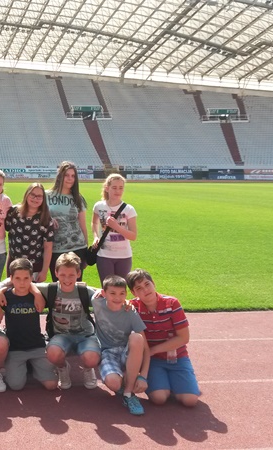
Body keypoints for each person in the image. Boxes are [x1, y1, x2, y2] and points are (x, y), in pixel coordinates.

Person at [126, 269, 200, 407]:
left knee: (190, 400)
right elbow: (113, 295)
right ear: (133, 293)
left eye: (147, 284)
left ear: (153, 283)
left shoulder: (172, 304)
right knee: (159, 398)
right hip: (153, 361)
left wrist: (153, 350)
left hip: (178, 357)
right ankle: (166, 385)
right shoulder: (132, 307)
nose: (145, 290)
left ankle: (175, 384)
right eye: (139, 288)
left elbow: (184, 338)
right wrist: (100, 292)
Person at [39, 252, 101, 390]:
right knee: (53, 353)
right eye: (62, 275)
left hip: (85, 335)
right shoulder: (51, 289)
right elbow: (24, 284)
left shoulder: (85, 291)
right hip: (61, 335)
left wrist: (127, 302)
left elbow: (108, 292)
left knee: (91, 358)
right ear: (56, 273)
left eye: (71, 275)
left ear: (78, 273)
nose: (67, 279)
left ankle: (88, 369)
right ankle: (62, 368)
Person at [0, 258, 58, 391]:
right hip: (15, 348)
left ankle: (35, 368)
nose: (22, 282)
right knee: (16, 386)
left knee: (52, 385)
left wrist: (36, 292)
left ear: (31, 278)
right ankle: (24, 366)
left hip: (36, 345)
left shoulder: (38, 295)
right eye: (17, 278)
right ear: (11, 278)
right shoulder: (5, 296)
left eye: (26, 278)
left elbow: (64, 286)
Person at [92, 275, 150, 416]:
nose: (118, 298)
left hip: (126, 352)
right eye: (112, 293)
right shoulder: (96, 301)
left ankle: (128, 394)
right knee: (113, 383)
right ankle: (125, 379)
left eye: (122, 293)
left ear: (126, 294)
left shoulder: (130, 311)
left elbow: (145, 347)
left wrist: (143, 376)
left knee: (137, 338)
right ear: (104, 293)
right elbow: (79, 285)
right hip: (107, 352)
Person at [46, 161, 89, 282]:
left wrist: (86, 250)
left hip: (78, 247)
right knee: (58, 284)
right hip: (56, 249)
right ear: (60, 176)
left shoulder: (78, 198)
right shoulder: (46, 195)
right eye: (67, 175)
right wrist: (48, 219)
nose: (70, 179)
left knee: (76, 285)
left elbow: (83, 225)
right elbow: (36, 215)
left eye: (73, 176)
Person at [91, 174, 137, 284]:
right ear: (107, 188)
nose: (118, 191)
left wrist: (117, 227)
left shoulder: (129, 209)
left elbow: (133, 236)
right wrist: (96, 237)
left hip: (124, 256)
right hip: (104, 255)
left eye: (121, 188)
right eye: (114, 187)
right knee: (107, 288)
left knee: (121, 289)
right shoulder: (99, 206)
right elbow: (94, 222)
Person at [5, 183, 54, 282]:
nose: (35, 198)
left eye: (39, 196)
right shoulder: (13, 212)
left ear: (43, 199)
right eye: (33, 194)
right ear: (27, 194)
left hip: (35, 267)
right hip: (14, 264)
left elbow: (48, 247)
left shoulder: (45, 219)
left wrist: (44, 271)